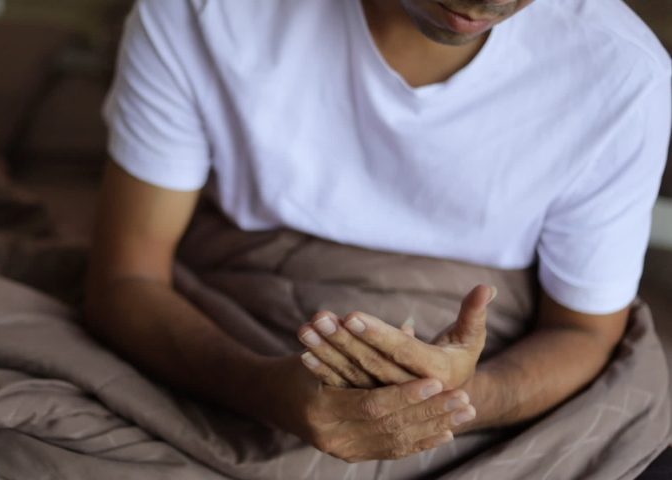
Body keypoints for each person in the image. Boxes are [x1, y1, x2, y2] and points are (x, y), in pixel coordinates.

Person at [84, 0, 671, 465]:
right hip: (233, 313)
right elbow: (126, 276)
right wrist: (264, 389)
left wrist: (451, 400)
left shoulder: (620, 71)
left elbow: (584, 334)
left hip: (493, 357)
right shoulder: (204, 12)